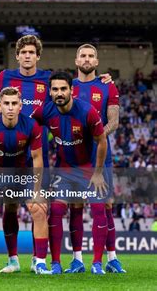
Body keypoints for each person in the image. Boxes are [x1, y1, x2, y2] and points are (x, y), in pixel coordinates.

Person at [31, 71, 108, 275]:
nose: (59, 93)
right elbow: (27, 124)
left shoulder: (87, 111)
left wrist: (98, 173)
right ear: (50, 92)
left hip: (88, 169)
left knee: (98, 209)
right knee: (56, 210)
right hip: (64, 169)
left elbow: (102, 141)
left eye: (63, 89)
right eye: (55, 89)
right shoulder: (46, 111)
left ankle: (97, 264)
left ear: (71, 91)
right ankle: (56, 263)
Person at [0, 87, 50, 275]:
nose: (10, 107)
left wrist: (38, 191)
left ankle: (39, 263)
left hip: (23, 173)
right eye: (6, 103)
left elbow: (38, 158)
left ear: (20, 106)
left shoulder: (31, 126)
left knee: (38, 209)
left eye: (14, 103)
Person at [69, 44, 125, 273]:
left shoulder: (107, 86)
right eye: (83, 55)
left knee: (105, 204)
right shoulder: (67, 87)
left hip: (100, 153)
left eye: (91, 56)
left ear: (97, 61)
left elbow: (114, 120)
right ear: (76, 60)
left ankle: (109, 259)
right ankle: (77, 260)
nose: (87, 59)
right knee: (76, 204)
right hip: (73, 154)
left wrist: (95, 133)